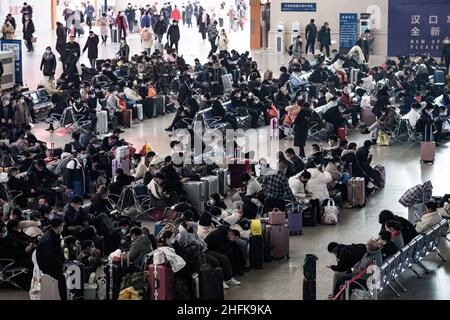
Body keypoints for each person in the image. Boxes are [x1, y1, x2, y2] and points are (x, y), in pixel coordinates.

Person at [36, 217, 67, 300]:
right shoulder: (48, 239)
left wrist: (64, 261)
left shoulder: (55, 235)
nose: (62, 227)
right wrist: (60, 266)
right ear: (58, 226)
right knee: (61, 278)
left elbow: (58, 251)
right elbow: (50, 257)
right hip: (46, 265)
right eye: (62, 225)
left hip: (51, 261)